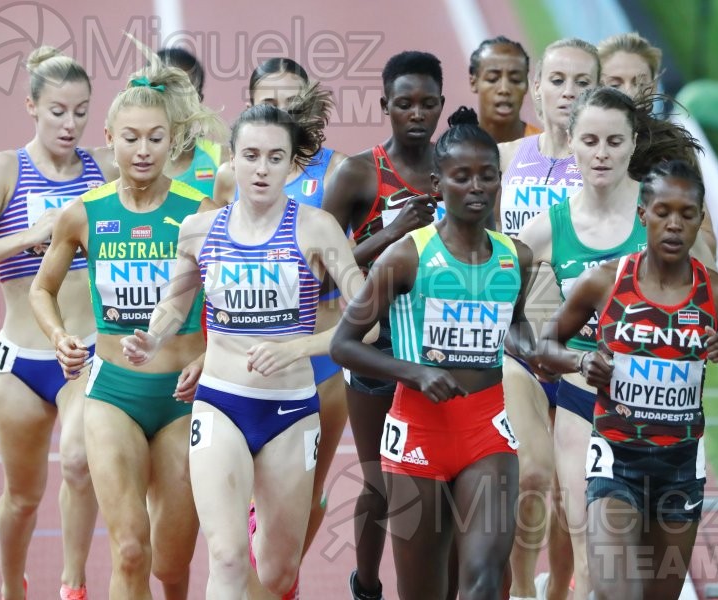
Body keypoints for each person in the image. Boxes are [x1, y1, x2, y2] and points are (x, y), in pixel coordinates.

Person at [118, 88, 367, 600]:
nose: (261, 169)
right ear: (231, 159)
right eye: (250, 156)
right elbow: (174, 303)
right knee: (228, 558)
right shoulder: (199, 230)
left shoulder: (316, 229)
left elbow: (368, 321)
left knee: (276, 574)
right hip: (220, 404)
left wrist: (299, 348)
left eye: (275, 158)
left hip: (291, 411)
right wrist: (153, 334)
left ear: (290, 164)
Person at [29, 38, 227, 600]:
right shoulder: (84, 214)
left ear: (173, 141)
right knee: (131, 550)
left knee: (170, 560)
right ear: (110, 140)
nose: (144, 151)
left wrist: (211, 355)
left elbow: (232, 303)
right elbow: (42, 291)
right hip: (111, 393)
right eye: (132, 138)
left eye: (156, 138)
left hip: (184, 398)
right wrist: (61, 335)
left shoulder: (199, 211)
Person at [531, 159, 718, 598]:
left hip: (679, 470)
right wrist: (580, 364)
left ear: (701, 218)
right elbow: (544, 350)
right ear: (643, 214)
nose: (674, 225)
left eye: (686, 214)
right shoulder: (604, 283)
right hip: (615, 461)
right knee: (612, 590)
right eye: (663, 212)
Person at [331, 106, 534, 599]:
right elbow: (343, 344)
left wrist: (534, 350)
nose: (477, 187)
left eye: (488, 176)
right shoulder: (407, 255)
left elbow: (514, 324)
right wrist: (415, 373)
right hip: (417, 433)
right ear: (438, 185)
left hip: (487, 431)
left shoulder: (515, 257)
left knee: (484, 580)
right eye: (462, 177)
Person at [515, 85, 703, 599]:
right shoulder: (545, 230)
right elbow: (506, 323)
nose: (602, 153)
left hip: (663, 417)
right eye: (591, 140)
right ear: (570, 140)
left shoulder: (664, 216)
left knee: (646, 573)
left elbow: (711, 299)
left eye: (615, 142)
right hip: (584, 405)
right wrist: (566, 357)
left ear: (633, 141)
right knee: (593, 560)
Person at [0, 46, 115, 600]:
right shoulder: (3, 169)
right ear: (32, 108)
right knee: (21, 497)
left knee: (79, 463)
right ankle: (11, 587)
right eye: (58, 111)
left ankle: (73, 583)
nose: (70, 124)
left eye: (82, 111)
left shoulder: (103, 170)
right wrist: (30, 235)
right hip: (20, 362)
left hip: (84, 355)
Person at [215, 58, 350, 572]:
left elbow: (351, 256)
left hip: (317, 362)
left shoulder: (338, 171)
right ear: (250, 103)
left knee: (306, 493)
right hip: (242, 359)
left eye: (292, 100)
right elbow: (214, 264)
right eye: (268, 100)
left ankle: (282, 578)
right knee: (239, 495)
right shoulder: (233, 176)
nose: (280, 109)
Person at [321, 50, 445, 600]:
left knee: (441, 486)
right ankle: (367, 586)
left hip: (441, 353)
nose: (416, 113)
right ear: (384, 107)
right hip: (375, 352)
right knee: (380, 484)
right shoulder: (359, 173)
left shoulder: (457, 170)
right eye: (404, 103)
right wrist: (393, 233)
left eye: (427, 103)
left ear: (442, 105)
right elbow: (320, 269)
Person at [495, 37, 600, 600]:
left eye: (582, 83)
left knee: (571, 494)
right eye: (557, 80)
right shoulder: (509, 160)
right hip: (517, 346)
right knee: (531, 474)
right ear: (536, 88)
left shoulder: (605, 171)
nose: (568, 92)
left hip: (581, 354)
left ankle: (559, 588)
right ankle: (519, 590)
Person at [598, 32, 718, 263]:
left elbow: (707, 238)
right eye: (616, 83)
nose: (630, 92)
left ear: (653, 86)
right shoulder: (579, 147)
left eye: (639, 82)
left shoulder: (674, 149)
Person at [157, 46, 229, 202]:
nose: (175, 101)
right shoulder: (124, 164)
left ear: (199, 99)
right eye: (167, 90)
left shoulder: (223, 161)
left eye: (186, 93)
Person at [468, 36, 541, 144]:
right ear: (474, 82)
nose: (504, 89)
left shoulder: (544, 150)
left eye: (515, 80)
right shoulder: (454, 148)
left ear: (526, 85)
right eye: (492, 79)